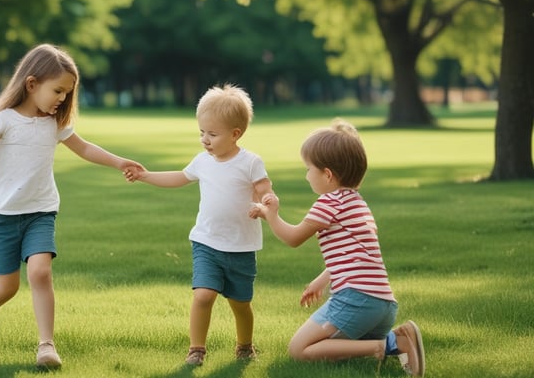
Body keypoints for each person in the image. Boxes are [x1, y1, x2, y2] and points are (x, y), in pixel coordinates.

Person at [0, 43, 143, 369]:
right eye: (58, 91)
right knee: (7, 286)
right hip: (3, 215)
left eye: (67, 93)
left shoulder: (55, 124)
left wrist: (120, 162)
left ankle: (46, 345)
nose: (62, 98)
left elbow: (86, 149)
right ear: (32, 84)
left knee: (40, 271)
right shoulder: (2, 119)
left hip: (40, 211)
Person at [248, 118, 425, 376]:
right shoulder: (357, 203)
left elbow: (294, 238)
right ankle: (394, 337)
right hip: (384, 305)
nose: (306, 174)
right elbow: (355, 257)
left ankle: (388, 344)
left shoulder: (328, 202)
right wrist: (322, 281)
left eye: (308, 168)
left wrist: (270, 215)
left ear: (327, 174)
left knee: (299, 350)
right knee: (333, 352)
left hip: (357, 301)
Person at [124, 84, 274, 366]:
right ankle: (197, 349)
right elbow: (179, 177)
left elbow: (265, 188)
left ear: (235, 134)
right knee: (203, 295)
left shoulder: (250, 162)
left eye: (213, 134)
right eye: (202, 132)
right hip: (206, 242)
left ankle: (244, 345)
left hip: (241, 247)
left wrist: (264, 203)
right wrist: (145, 175)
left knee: (240, 304)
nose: (205, 139)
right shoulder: (202, 161)